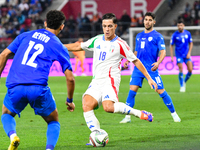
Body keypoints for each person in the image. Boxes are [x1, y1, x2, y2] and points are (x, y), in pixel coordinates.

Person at [64, 13, 158, 143]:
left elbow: (135, 61)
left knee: (108, 107)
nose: (107, 29)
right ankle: (97, 136)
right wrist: (59, 47)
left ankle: (138, 113)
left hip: (110, 80)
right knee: (86, 104)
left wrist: (148, 78)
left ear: (115, 26)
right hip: (96, 81)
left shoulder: (120, 44)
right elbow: (78, 46)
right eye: (104, 26)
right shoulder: (97, 40)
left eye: (109, 26)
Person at [0, 10, 75, 150]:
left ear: (45, 23)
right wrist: (69, 100)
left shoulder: (26, 35)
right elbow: (70, 78)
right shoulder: (58, 45)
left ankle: (12, 136)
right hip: (37, 88)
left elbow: (4, 54)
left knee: (6, 114)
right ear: (62, 26)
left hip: (16, 86)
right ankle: (49, 148)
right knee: (53, 121)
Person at [120, 12, 181, 124]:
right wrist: (129, 60)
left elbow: (163, 51)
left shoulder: (158, 36)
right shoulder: (139, 36)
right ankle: (127, 117)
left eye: (149, 20)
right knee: (132, 91)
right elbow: (137, 52)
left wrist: (158, 63)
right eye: (145, 19)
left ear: (154, 22)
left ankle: (174, 114)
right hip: (138, 68)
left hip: (151, 68)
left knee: (161, 91)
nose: (147, 22)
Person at [170, 20, 193, 92]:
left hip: (186, 55)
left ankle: (184, 81)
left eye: (181, 25)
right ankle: (182, 86)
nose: (179, 27)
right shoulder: (174, 35)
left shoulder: (188, 33)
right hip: (179, 55)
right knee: (181, 69)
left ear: (183, 26)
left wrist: (189, 53)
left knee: (190, 70)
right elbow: (171, 45)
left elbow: (191, 43)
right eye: (178, 25)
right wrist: (172, 56)